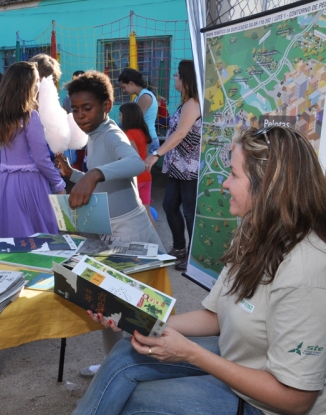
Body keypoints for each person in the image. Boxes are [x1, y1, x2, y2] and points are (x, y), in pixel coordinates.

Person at [73, 126, 326, 415]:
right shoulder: (255, 229)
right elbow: (216, 315)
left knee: (137, 402)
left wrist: (190, 353)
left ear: (267, 186)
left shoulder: (307, 270)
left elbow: (295, 399)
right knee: (124, 351)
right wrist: (134, 318)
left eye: (234, 175)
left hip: (267, 406)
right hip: (238, 359)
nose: (225, 184)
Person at [54, 70, 164, 378]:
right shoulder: (94, 136)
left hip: (129, 232)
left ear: (107, 105)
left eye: (86, 108)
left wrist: (93, 173)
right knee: (110, 309)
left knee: (137, 314)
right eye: (74, 110)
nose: (79, 115)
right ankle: (113, 367)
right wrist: (72, 174)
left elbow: (135, 164)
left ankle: (145, 372)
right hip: (109, 231)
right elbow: (103, 182)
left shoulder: (112, 133)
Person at [0, 61, 66, 237]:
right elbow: (41, 159)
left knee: (11, 235)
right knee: (39, 236)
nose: (39, 84)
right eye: (37, 81)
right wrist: (59, 184)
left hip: (4, 181)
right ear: (26, 85)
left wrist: (10, 161)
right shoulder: (30, 116)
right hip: (30, 183)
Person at [144, 60, 201, 271]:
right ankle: (179, 248)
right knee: (169, 206)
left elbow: (180, 134)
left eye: (177, 75)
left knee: (188, 212)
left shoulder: (194, 103)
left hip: (190, 168)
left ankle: (194, 256)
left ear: (186, 79)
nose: (174, 78)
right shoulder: (185, 102)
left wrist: (156, 154)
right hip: (179, 167)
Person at [119, 102, 155, 227]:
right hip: (146, 176)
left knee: (131, 216)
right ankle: (156, 244)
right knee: (147, 213)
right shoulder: (141, 131)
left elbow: (133, 158)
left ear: (127, 116)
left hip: (136, 178)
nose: (119, 118)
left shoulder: (128, 134)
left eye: (120, 115)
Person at [117, 68, 160, 153]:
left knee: (141, 165)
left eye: (124, 87)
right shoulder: (139, 96)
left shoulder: (145, 97)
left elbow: (134, 120)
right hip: (143, 138)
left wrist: (116, 128)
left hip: (148, 139)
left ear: (131, 83)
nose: (124, 90)